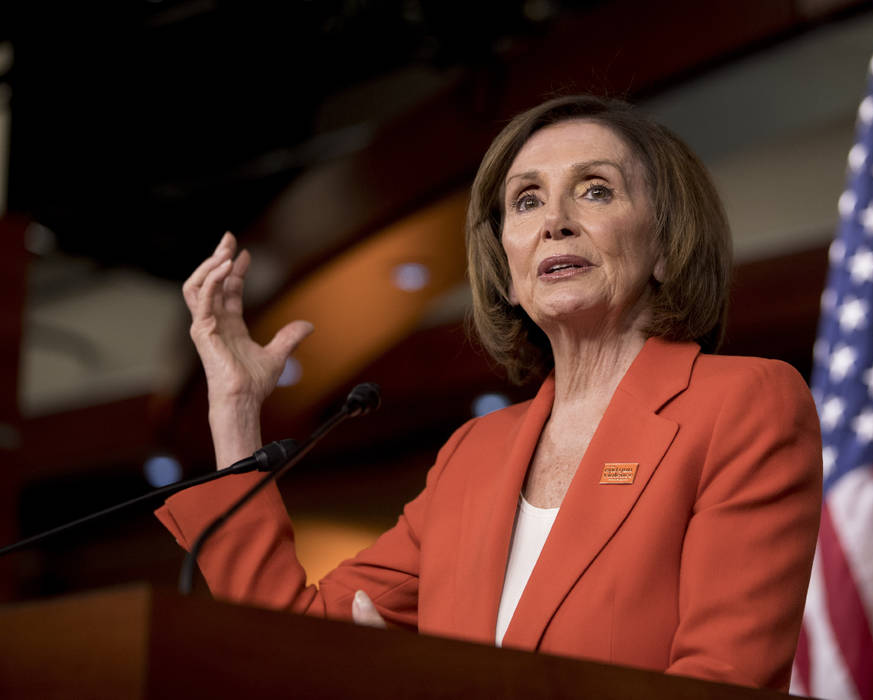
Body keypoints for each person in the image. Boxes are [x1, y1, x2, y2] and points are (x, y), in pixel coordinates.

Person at [156, 95, 822, 691]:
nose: (553, 222)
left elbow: (721, 682)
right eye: (526, 201)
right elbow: (296, 641)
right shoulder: (473, 454)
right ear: (507, 270)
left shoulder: (743, 402)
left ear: (667, 246)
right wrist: (236, 409)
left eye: (594, 190)